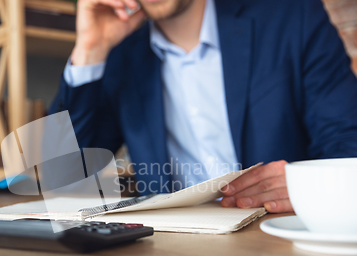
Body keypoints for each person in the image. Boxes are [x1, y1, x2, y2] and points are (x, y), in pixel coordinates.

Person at [49, 0, 357, 213]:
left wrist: (308, 184)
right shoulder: (119, 53)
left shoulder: (291, 16)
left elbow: (347, 141)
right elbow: (61, 175)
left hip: (277, 236)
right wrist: (90, 49)